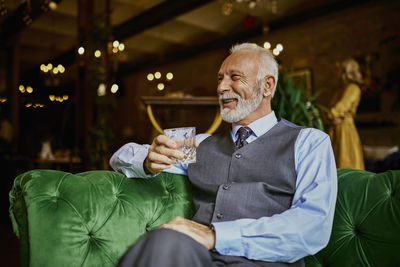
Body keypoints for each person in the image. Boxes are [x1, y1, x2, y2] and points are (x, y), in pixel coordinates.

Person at [110, 43, 337, 267]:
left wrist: (216, 236)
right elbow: (120, 157)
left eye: (235, 77)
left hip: (266, 262)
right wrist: (148, 160)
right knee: (164, 240)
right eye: (220, 79)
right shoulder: (201, 144)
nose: (221, 88)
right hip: (197, 259)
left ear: (267, 86)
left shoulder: (310, 142)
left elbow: (312, 226)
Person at [328, 58, 365, 169]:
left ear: (346, 71)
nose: (335, 73)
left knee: (347, 164)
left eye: (337, 69)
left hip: (345, 131)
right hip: (335, 131)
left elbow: (338, 109)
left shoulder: (353, 88)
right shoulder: (339, 90)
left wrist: (332, 115)